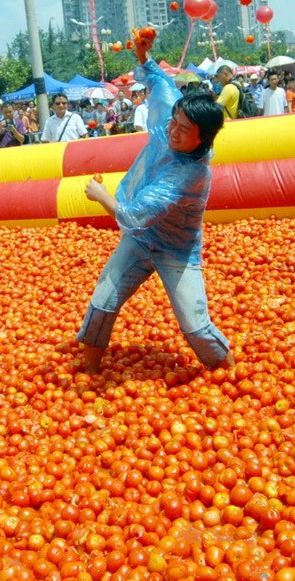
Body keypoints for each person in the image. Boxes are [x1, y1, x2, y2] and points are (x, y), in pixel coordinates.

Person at [77, 31, 234, 375]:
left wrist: (102, 197)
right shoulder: (170, 121)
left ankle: (228, 372)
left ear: (202, 138)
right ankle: (89, 373)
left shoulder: (190, 174)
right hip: (139, 242)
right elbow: (161, 82)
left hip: (176, 250)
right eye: (175, 123)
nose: (174, 132)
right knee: (102, 302)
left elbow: (136, 214)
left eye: (185, 130)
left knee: (194, 326)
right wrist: (142, 55)